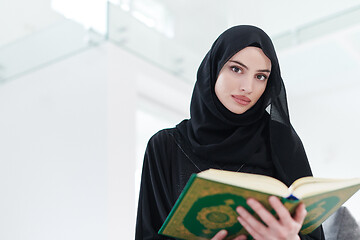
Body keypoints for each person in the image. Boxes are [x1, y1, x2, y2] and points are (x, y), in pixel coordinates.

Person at [135, 25, 325, 240]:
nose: (248, 87)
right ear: (214, 69)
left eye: (261, 77)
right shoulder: (165, 146)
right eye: (236, 69)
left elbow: (313, 233)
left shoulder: (280, 142)